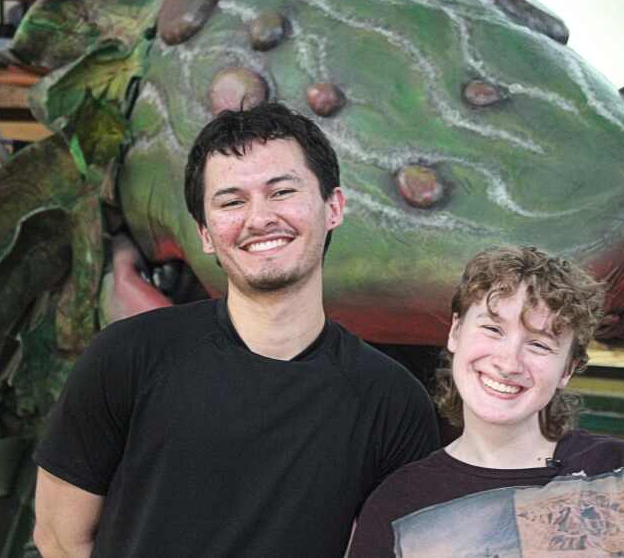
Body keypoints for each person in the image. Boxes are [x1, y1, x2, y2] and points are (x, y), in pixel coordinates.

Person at [32, 103, 439, 557]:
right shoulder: (128, 357)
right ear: (205, 233)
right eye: (231, 201)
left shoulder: (392, 401)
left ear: (334, 207)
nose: (259, 218)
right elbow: (59, 538)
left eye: (281, 191)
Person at [348, 246, 624, 557]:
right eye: (492, 329)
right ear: (455, 331)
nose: (508, 362)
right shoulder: (397, 502)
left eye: (539, 344)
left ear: (567, 369)